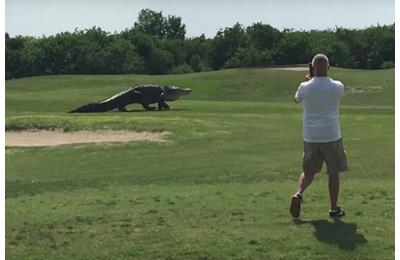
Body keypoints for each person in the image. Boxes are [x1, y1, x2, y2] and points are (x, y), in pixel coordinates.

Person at [290, 54, 348, 218]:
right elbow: (337, 93)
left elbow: (296, 99)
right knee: (333, 172)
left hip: (311, 136)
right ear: (328, 68)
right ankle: (333, 208)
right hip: (331, 135)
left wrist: (309, 80)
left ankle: (299, 193)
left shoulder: (304, 86)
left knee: (308, 172)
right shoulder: (337, 86)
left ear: (313, 68)